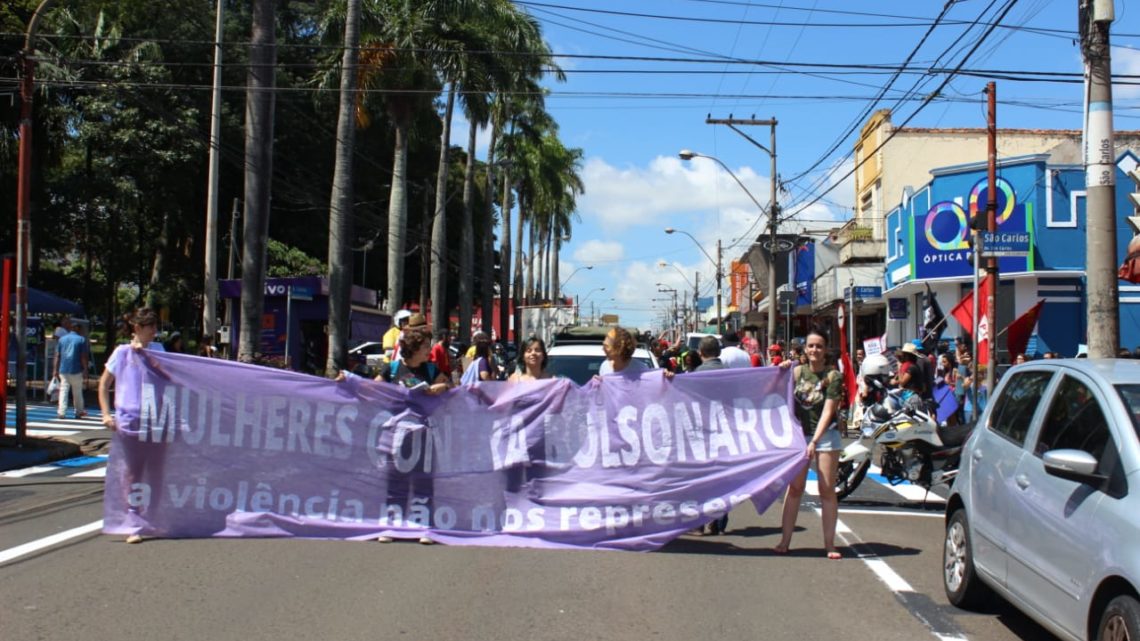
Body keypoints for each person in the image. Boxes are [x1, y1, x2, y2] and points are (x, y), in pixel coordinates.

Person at [98, 307, 166, 544]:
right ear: (138, 328)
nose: (155, 332)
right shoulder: (122, 352)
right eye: (151, 327)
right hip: (129, 421)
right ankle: (133, 519)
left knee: (157, 470)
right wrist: (107, 414)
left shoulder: (158, 350)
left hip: (157, 420)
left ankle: (153, 516)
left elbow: (170, 376)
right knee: (133, 471)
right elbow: (104, 383)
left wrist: (148, 357)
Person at [775, 327, 843, 559]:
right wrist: (781, 370)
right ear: (805, 349)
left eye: (819, 346)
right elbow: (772, 390)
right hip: (798, 437)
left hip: (826, 437)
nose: (815, 350)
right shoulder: (795, 372)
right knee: (795, 488)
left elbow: (828, 410)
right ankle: (784, 541)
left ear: (826, 350)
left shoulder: (833, 376)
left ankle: (830, 544)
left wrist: (814, 441)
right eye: (811, 346)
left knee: (827, 489)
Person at [693, 335, 729, 535]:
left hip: (701, 433)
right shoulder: (730, 374)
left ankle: (699, 521)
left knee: (701, 479)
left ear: (700, 353)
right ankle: (718, 521)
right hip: (725, 432)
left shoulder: (696, 374)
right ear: (719, 352)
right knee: (722, 479)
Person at [54, 322, 90, 419]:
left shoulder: (62, 339)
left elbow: (58, 355)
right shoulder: (81, 340)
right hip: (76, 368)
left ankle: (61, 412)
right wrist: (85, 369)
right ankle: (79, 411)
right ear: (78, 329)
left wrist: (55, 369)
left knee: (64, 390)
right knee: (77, 392)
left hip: (64, 368)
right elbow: (83, 357)